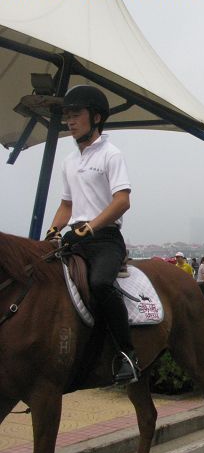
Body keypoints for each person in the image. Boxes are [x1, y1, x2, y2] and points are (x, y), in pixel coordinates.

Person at [45, 85, 138, 384]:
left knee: (99, 283)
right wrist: (52, 231)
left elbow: (122, 200)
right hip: (75, 239)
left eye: (76, 115)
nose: (70, 122)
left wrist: (88, 227)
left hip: (105, 239)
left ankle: (127, 354)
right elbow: (66, 204)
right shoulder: (69, 161)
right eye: (67, 117)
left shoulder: (111, 154)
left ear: (95, 117)